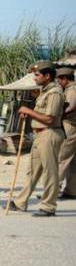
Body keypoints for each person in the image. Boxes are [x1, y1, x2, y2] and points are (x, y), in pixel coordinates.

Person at [8, 61, 65, 216]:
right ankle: (21, 202)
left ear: (47, 76)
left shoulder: (54, 93)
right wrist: (29, 114)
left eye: (37, 75)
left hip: (50, 133)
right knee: (32, 171)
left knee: (50, 172)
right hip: (40, 134)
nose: (34, 78)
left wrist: (29, 111)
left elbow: (49, 119)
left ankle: (48, 206)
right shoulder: (44, 92)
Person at [55, 67, 76, 199]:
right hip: (72, 127)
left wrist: (59, 114)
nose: (59, 83)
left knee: (62, 159)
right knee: (72, 161)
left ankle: (52, 190)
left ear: (65, 79)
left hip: (70, 127)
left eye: (59, 80)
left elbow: (72, 105)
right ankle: (71, 190)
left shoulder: (72, 90)